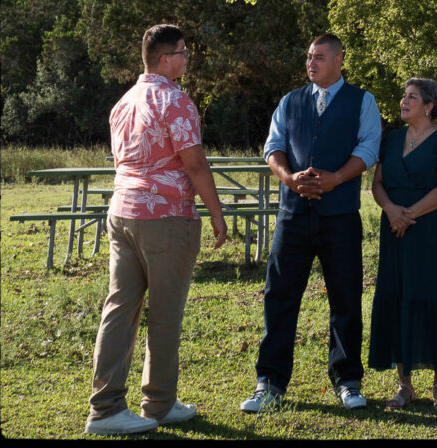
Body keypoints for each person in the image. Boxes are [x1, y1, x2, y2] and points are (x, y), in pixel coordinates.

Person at [85, 24, 227, 436]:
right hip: (165, 218)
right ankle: (159, 404)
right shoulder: (175, 100)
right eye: (183, 52)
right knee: (165, 314)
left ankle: (106, 407)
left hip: (122, 213)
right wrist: (215, 213)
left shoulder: (123, 102)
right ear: (166, 59)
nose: (187, 59)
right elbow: (195, 163)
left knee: (119, 310)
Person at [241, 34, 382, 414]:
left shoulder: (363, 101)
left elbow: (369, 147)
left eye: (319, 57)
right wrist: (289, 179)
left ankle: (348, 380)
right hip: (293, 216)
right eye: (308, 57)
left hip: (340, 217)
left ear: (339, 60)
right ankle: (269, 383)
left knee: (346, 299)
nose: (311, 63)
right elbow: (273, 147)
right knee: (280, 297)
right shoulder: (290, 101)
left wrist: (336, 178)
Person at [368, 77, 437, 411]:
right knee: (398, 296)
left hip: (429, 231)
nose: (404, 101)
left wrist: (408, 215)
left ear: (429, 106)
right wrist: (391, 211)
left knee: (434, 296)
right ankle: (404, 386)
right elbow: (377, 184)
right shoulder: (391, 139)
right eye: (403, 96)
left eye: (412, 97)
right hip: (394, 229)